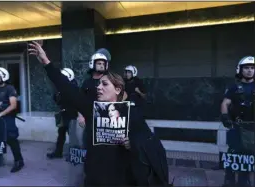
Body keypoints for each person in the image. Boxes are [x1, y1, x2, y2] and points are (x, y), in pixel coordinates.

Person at [28, 41, 169, 186]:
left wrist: (132, 143)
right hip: (94, 177)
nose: (99, 87)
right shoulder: (92, 109)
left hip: (122, 179)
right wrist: (46, 62)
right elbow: (67, 88)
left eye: (105, 84)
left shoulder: (131, 113)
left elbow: (151, 144)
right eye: (99, 84)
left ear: (118, 89)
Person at [220, 56, 255, 187]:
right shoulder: (234, 87)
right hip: (237, 126)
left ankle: (244, 180)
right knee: (233, 153)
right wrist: (225, 117)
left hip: (253, 128)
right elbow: (225, 103)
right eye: (246, 68)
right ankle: (229, 179)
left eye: (252, 68)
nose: (250, 71)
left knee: (250, 156)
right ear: (240, 70)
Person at [0, 67, 24, 173]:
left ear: (3, 77)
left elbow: (13, 105)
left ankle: (19, 161)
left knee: (11, 139)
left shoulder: (10, 88)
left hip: (8, 118)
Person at [47, 68, 78, 159]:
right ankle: (58, 152)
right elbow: (57, 99)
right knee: (61, 133)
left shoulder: (73, 88)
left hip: (72, 114)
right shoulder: (61, 87)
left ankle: (75, 154)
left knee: (72, 135)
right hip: (63, 113)